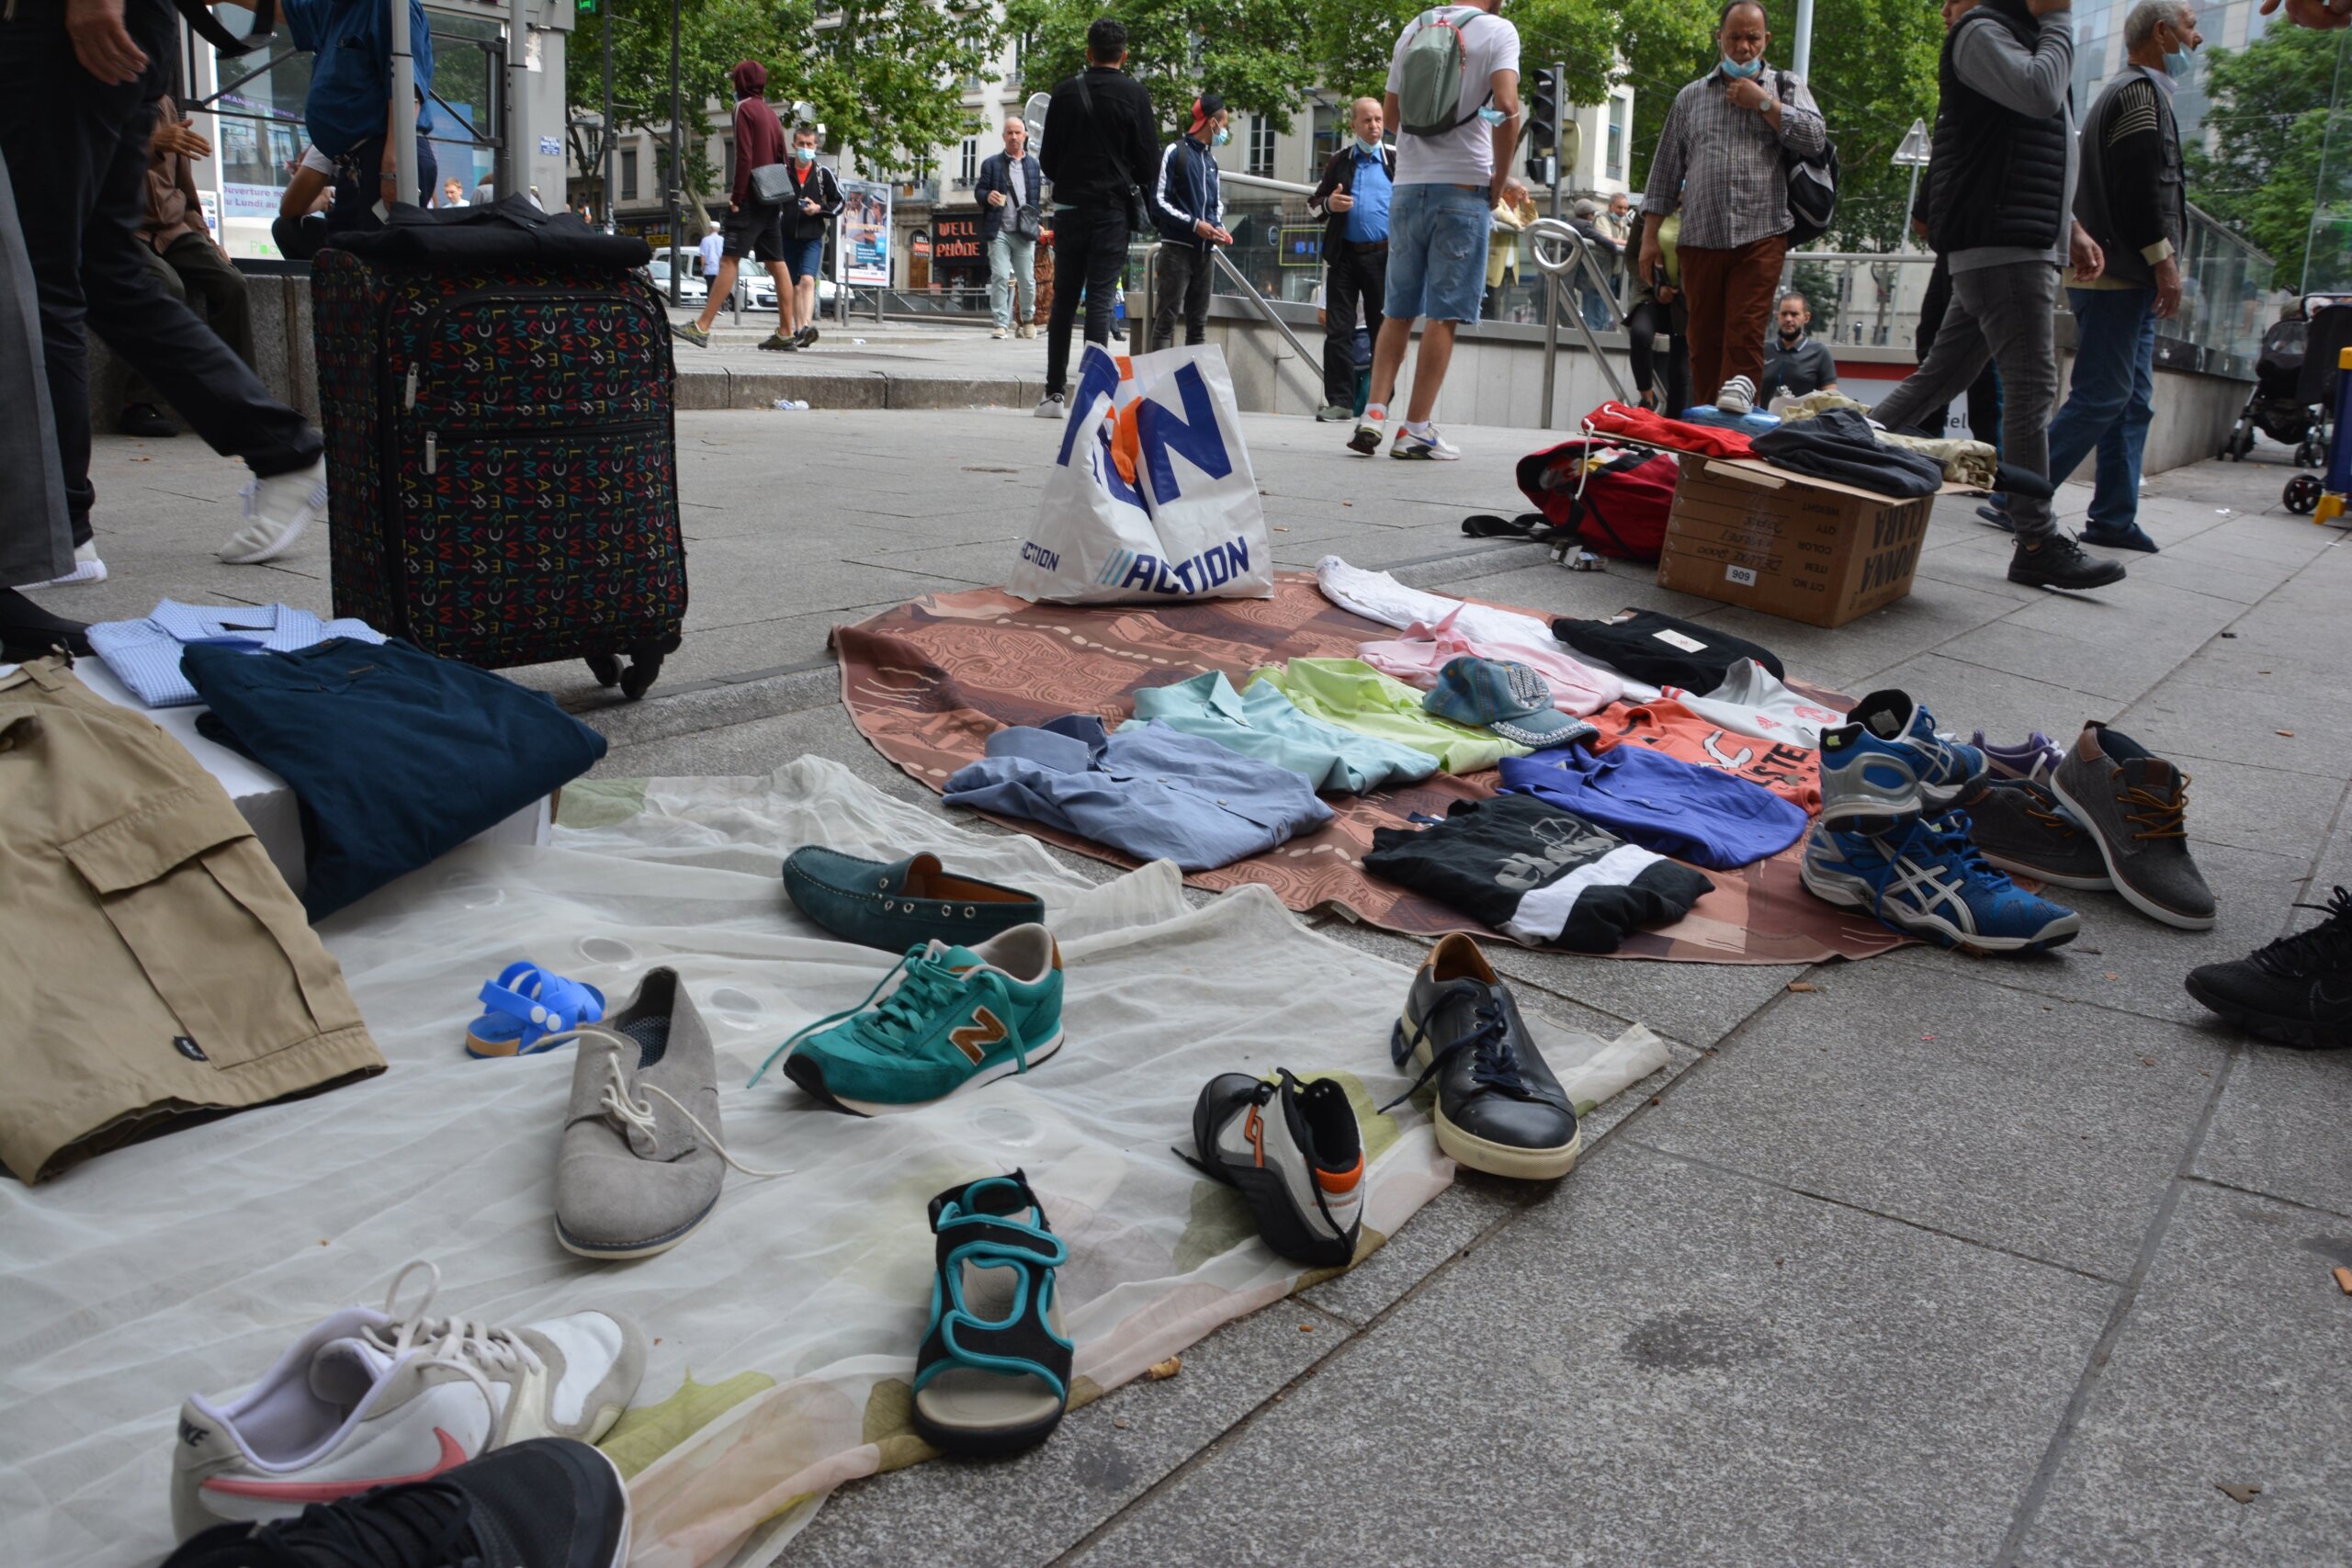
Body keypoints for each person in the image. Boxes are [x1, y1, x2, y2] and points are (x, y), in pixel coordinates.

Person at [0, 0, 330, 571]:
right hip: (109, 27)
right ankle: (280, 450)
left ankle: (57, 527)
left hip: (59, 24)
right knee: (101, 271)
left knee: (44, 276)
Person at [1871, 0, 2127, 593]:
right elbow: (2039, 96)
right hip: (2003, 243)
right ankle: (2036, 538)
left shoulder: (2016, 35)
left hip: (2016, 240)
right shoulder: (1982, 32)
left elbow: (2032, 146)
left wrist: (2070, 230)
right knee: (2033, 385)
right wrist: (2060, 21)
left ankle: (1829, 450)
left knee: (1939, 378)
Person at [2040, 0, 2199, 555]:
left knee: (2131, 401)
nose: (2197, 40)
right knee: (2104, 394)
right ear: (2162, 33)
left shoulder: (2138, 91)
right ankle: (2019, 493)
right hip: (2119, 273)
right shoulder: (2138, 94)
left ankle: (2112, 517)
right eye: (2191, 27)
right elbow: (2139, 188)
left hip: (2123, 274)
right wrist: (2164, 260)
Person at [1351, 0, 1525, 460]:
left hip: (1408, 188)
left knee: (1397, 309)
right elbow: (1508, 107)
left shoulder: (1415, 27)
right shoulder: (1499, 31)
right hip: (1462, 189)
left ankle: (1372, 414)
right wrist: (1498, 178)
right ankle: (1415, 429)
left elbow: (1390, 118)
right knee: (1443, 314)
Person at [1636, 1, 1826, 416]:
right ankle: (1705, 431)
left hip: (1762, 233)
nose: (1743, 46)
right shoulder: (1691, 97)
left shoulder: (1786, 85)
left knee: (1743, 336)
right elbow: (1665, 170)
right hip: (1700, 238)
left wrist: (1764, 103)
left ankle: (1738, 437)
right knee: (1703, 342)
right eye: (1735, 37)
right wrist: (1649, 239)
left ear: (1766, 40)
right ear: (1719, 38)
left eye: (1753, 38)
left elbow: (1815, 138)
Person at [1035, 17, 1158, 419]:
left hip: (1069, 212)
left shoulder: (1065, 93)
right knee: (1101, 301)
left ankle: (1053, 394)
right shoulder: (1135, 95)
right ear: (1124, 54)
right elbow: (1148, 161)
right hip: (1112, 212)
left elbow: (1048, 160)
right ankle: (1093, 397)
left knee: (1064, 300)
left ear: (1088, 53)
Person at [119, 97, 255, 440]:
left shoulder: (162, 103)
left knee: (231, 283)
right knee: (166, 285)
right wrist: (147, 145)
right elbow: (87, 161)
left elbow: (184, 186)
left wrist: (207, 238)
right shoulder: (95, 91)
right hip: (119, 226)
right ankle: (139, 402)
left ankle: (237, 397)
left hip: (173, 225)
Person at [673, 62, 796, 351]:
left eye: (734, 81)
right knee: (777, 264)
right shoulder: (771, 114)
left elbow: (744, 156)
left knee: (729, 259)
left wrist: (737, 197)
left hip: (752, 197)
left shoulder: (744, 109)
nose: (731, 86)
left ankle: (701, 327)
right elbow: (782, 156)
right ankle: (787, 332)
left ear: (741, 82)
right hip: (772, 196)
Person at [1307, 96, 1393, 423]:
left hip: (1383, 258)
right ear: (1354, 124)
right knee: (1338, 330)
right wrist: (1330, 203)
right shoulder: (1339, 162)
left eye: (1379, 120)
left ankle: (1379, 401)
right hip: (1344, 257)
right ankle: (1340, 401)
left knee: (1381, 331)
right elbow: (1314, 206)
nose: (1374, 126)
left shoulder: (1396, 161)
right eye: (1367, 120)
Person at [1148, 94, 1232, 353]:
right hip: (1176, 249)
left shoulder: (1211, 162)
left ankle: (1191, 384)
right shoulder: (1175, 152)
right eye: (1224, 125)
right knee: (1166, 320)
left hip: (1205, 253)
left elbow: (1215, 204)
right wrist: (1196, 224)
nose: (1225, 132)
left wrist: (1217, 227)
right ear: (1212, 123)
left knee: (1198, 324)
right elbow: (1158, 202)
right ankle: (1159, 381)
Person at [977, 115, 1043, 340]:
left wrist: (1038, 224)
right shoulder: (991, 164)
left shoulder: (1034, 165)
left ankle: (1028, 320)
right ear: (1003, 136)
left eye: (1018, 132)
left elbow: (1035, 201)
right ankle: (1000, 324)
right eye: (1009, 133)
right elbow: (979, 192)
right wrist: (987, 196)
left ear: (1024, 136)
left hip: (1024, 232)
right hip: (999, 231)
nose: (1014, 136)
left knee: (1027, 280)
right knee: (1000, 276)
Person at [777, 123, 842, 348]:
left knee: (807, 280)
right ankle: (799, 330)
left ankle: (805, 326)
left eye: (810, 144)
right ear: (794, 145)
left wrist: (819, 209)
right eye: (802, 144)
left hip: (812, 236)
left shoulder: (823, 174)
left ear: (816, 146)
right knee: (794, 285)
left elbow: (839, 202)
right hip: (787, 236)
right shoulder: (784, 172)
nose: (805, 148)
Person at [1623, 209, 1689, 412]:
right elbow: (1632, 257)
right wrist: (1655, 284)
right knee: (1640, 333)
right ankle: (1647, 400)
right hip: (1651, 293)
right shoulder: (1646, 212)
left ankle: (1674, 421)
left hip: (1686, 299)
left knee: (1679, 368)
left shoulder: (1700, 207)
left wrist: (1681, 290)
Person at [1760, 289, 1838, 398]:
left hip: (1804, 414)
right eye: (1784, 314)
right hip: (1765, 414)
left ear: (1806, 317)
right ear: (1777, 316)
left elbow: (1831, 398)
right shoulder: (1764, 350)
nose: (1788, 319)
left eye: (1794, 314)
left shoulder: (1819, 352)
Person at [697, 218, 725, 307]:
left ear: (711, 229)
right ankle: (719, 305)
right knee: (719, 288)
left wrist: (702, 268)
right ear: (718, 230)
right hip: (720, 269)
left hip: (709, 269)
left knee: (710, 288)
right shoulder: (722, 240)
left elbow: (703, 255)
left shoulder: (705, 240)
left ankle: (710, 305)